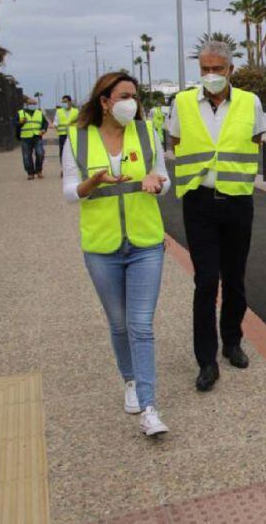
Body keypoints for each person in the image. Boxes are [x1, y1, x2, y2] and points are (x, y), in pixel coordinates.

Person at [62, 72, 171, 436]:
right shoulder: (78, 140)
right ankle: (129, 380)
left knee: (141, 325)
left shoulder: (146, 133)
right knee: (119, 323)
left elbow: (162, 177)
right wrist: (89, 184)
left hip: (145, 242)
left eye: (135, 97)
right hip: (102, 246)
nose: (132, 104)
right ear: (104, 101)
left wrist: (158, 184)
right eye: (124, 96)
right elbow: (67, 192)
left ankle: (149, 407)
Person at [168, 41, 266, 393]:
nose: (211, 76)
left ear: (230, 70)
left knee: (235, 277)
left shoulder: (249, 102)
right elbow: (176, 141)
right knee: (206, 280)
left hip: (238, 200)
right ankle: (206, 360)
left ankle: (232, 341)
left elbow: (254, 139)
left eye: (218, 69)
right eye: (205, 70)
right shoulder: (181, 103)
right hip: (199, 201)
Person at [17, 98, 47, 180]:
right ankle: (30, 173)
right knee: (26, 156)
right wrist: (20, 122)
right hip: (25, 137)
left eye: (34, 104)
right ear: (26, 104)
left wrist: (44, 129)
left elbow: (45, 123)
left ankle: (39, 170)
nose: (32, 105)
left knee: (40, 153)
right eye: (30, 104)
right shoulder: (20, 113)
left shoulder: (39, 113)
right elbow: (14, 123)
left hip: (37, 136)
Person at [53, 95, 79, 167]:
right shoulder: (59, 111)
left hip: (73, 135)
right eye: (63, 102)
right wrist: (54, 127)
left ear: (70, 102)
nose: (64, 103)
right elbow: (55, 123)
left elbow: (80, 123)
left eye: (65, 102)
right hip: (63, 135)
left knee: (74, 152)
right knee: (63, 153)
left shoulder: (76, 111)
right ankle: (63, 169)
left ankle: (75, 167)